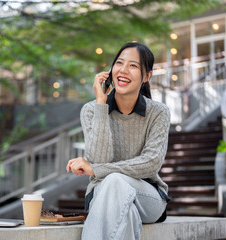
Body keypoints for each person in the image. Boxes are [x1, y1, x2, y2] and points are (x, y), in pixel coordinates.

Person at [66, 42, 171, 240]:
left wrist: (97, 170)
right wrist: (101, 105)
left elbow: (151, 163)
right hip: (102, 196)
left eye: (133, 66)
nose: (123, 70)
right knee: (126, 214)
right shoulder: (91, 110)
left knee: (114, 180)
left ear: (147, 76)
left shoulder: (158, 112)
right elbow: (100, 157)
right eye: (119, 63)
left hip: (147, 197)